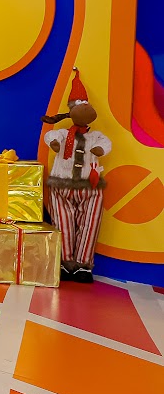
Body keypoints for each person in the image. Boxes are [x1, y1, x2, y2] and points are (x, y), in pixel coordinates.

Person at [42, 69, 110, 283]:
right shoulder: (63, 134)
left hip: (90, 186)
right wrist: (54, 143)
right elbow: (50, 134)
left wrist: (100, 149)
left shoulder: (95, 136)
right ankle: (66, 263)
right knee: (63, 223)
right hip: (61, 185)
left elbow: (106, 143)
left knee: (90, 223)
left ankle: (83, 265)